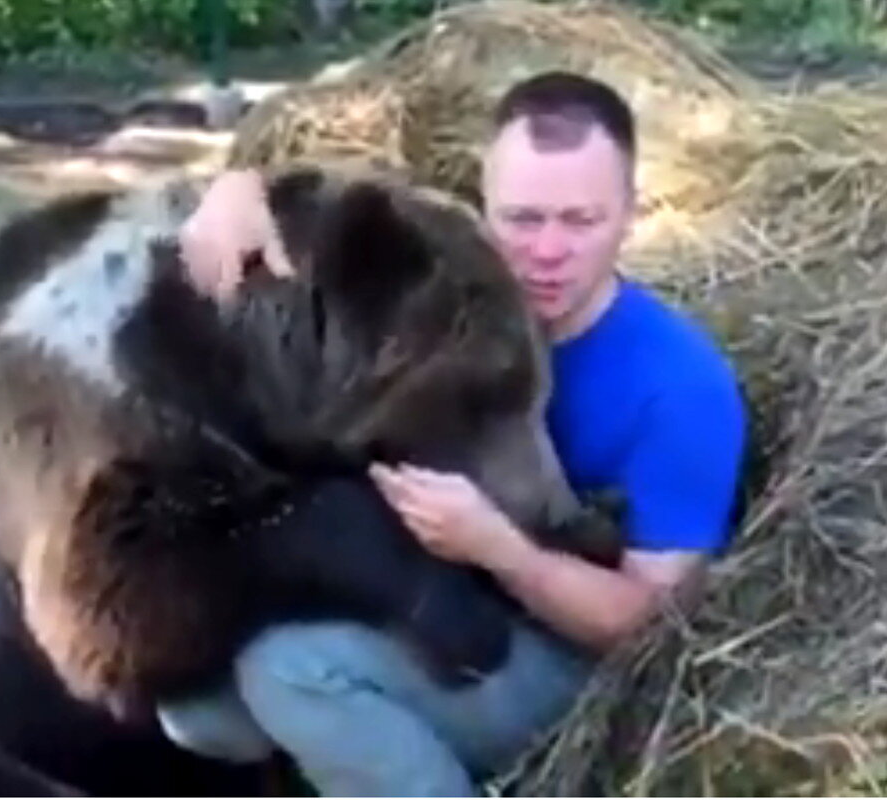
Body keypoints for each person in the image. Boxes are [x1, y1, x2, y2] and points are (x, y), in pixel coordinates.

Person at [164, 71, 748, 796]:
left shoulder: (681, 389)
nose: (547, 251)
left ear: (632, 212)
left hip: (569, 658)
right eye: (523, 219)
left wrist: (501, 552)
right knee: (197, 707)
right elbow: (325, 169)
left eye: (580, 221)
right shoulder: (452, 286)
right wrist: (233, 191)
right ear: (482, 205)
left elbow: (652, 628)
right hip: (437, 587)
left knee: (293, 671)